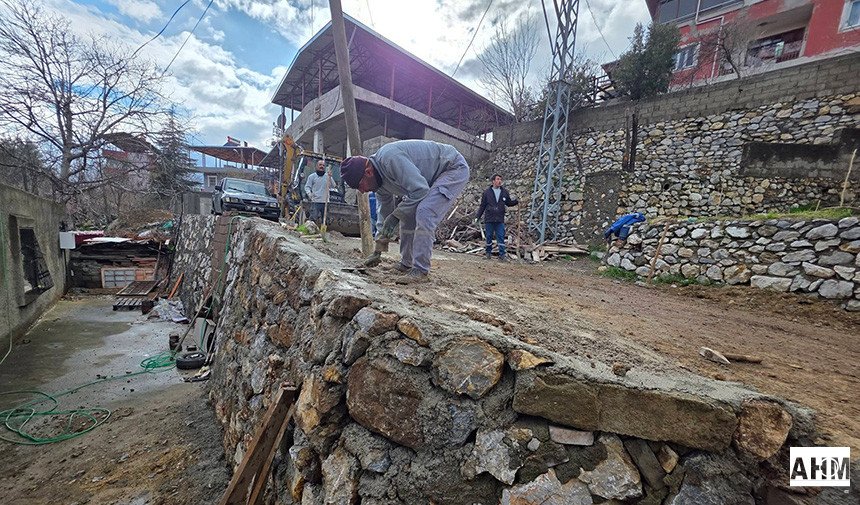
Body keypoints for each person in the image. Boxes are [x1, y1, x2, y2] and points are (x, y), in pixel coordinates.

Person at [340, 140, 470, 283]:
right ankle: (406, 263)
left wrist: (396, 216)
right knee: (408, 216)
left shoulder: (390, 159)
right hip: (428, 179)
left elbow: (420, 190)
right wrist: (378, 249)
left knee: (425, 212)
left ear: (368, 172)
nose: (363, 191)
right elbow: (385, 214)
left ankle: (421, 270)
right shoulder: (379, 185)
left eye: (360, 186)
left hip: (452, 168)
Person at [475, 174, 518, 261]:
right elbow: (482, 205)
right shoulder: (487, 192)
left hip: (499, 218)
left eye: (500, 179)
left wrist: (516, 201)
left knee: (501, 236)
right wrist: (478, 216)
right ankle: (488, 253)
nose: (500, 181)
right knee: (489, 236)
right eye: (498, 179)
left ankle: (502, 255)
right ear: (493, 181)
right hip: (489, 218)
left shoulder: (504, 192)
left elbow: (508, 203)